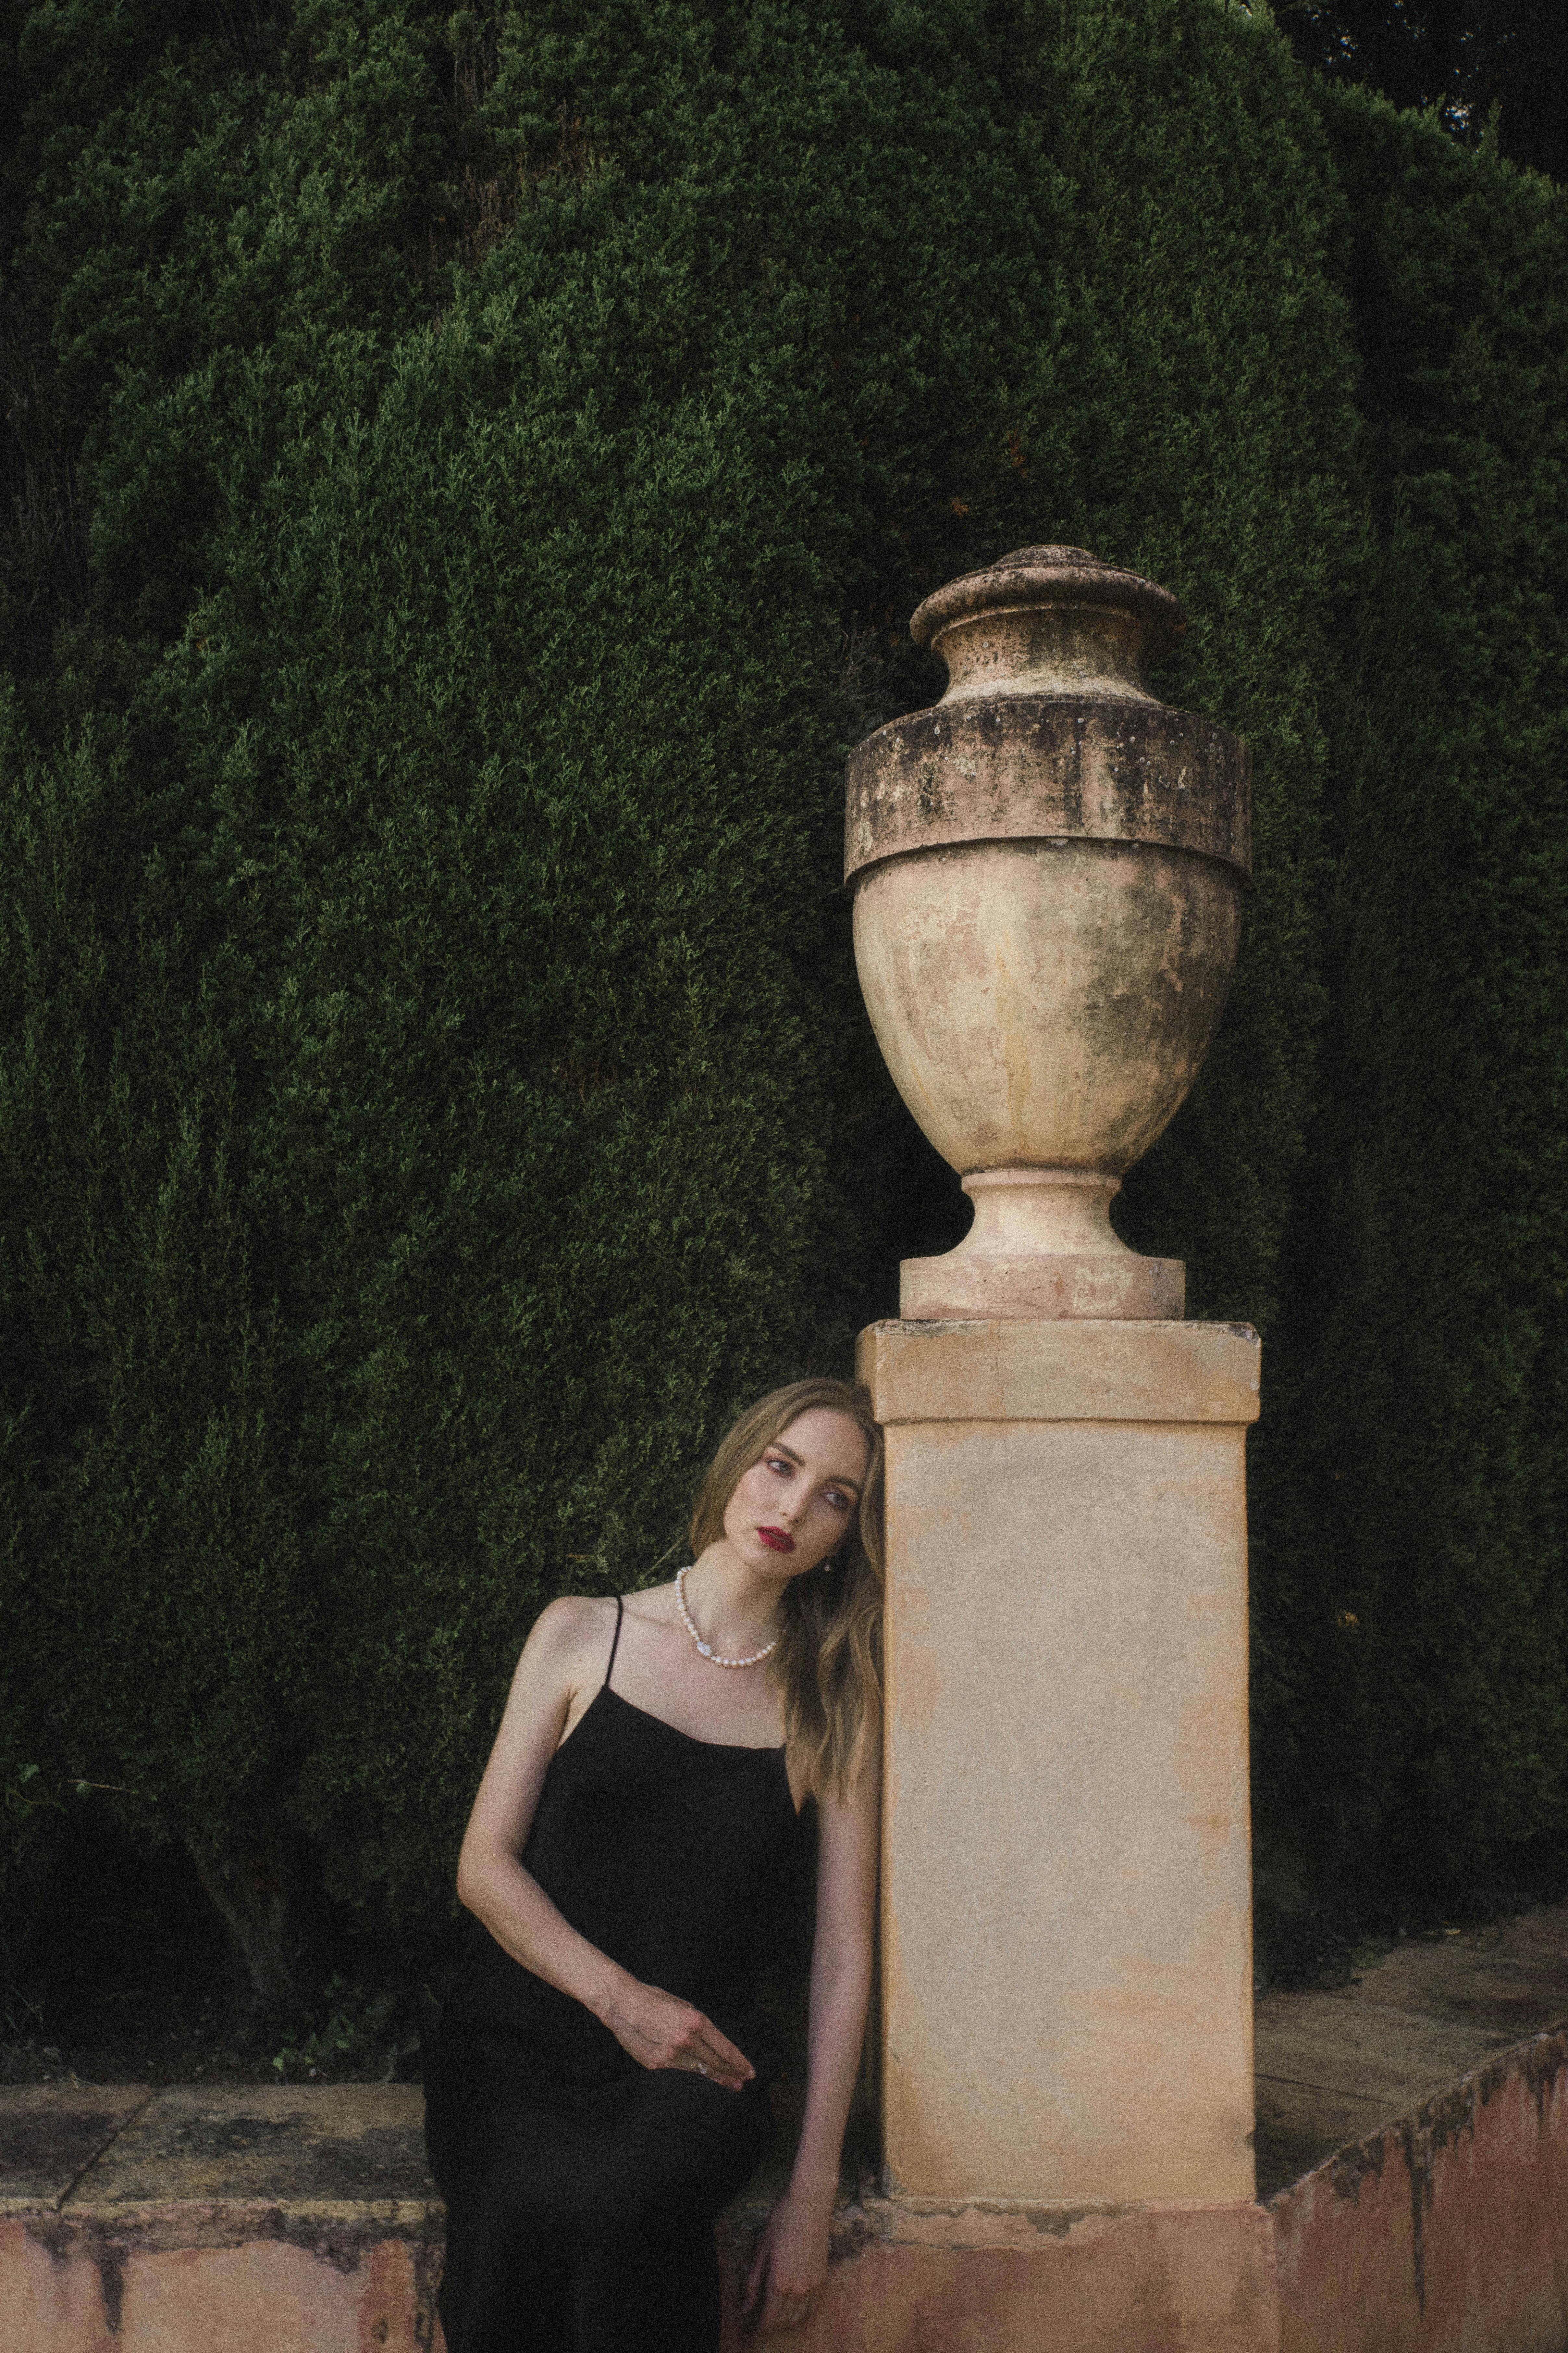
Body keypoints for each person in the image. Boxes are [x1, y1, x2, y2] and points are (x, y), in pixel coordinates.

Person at [423, 1376, 883, 2352]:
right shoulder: (581, 1633)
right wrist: (620, 1999)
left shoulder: (828, 1710)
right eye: (782, 1467)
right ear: (738, 1462)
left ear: (850, 1535)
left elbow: (842, 1959)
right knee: (516, 2210)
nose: (795, 1508)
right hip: (518, 2043)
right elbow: (484, 1865)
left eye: (836, 1496)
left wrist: (812, 2193)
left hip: (698, 2066)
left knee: (621, 2209)